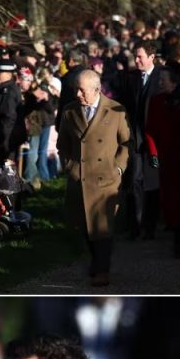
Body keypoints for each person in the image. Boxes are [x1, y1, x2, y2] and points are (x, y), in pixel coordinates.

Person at [56, 69, 131, 287]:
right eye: (75, 89)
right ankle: (96, 262)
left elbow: (126, 143)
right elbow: (63, 145)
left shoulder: (115, 110)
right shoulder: (70, 111)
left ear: (96, 89)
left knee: (103, 227)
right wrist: (70, 167)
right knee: (85, 226)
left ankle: (101, 269)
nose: (78, 94)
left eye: (82, 90)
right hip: (80, 178)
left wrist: (118, 167)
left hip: (106, 179)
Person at [145, 64, 180, 258]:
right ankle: (176, 231)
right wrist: (153, 153)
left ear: (174, 81)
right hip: (166, 158)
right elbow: (150, 129)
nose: (159, 83)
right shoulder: (157, 101)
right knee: (169, 199)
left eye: (163, 80)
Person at [120, 41, 162, 239]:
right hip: (136, 139)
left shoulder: (162, 78)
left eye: (140, 57)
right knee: (135, 180)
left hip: (156, 139)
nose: (136, 60)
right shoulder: (132, 79)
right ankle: (135, 224)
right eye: (135, 57)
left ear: (151, 57)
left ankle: (151, 224)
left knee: (152, 183)